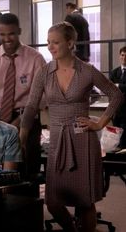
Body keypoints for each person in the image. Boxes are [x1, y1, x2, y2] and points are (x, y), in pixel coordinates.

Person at [20, 22, 123, 232]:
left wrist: (99, 123)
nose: (50, 46)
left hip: (83, 140)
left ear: (70, 42)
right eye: (48, 42)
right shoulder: (44, 73)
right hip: (57, 142)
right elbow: (31, 107)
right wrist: (21, 136)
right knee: (53, 202)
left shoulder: (87, 71)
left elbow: (116, 95)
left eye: (55, 42)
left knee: (85, 202)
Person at [0, 13, 46, 193]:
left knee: (27, 170)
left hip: (27, 117)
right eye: (2, 34)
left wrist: (21, 121)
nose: (7, 39)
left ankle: (29, 213)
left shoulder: (35, 58)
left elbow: (42, 96)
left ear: (19, 31)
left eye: (11, 34)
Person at [109, 46, 126, 148]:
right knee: (116, 137)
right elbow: (110, 88)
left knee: (124, 137)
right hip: (116, 110)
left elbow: (115, 87)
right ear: (119, 56)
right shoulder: (114, 72)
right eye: (122, 55)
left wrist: (118, 86)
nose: (124, 58)